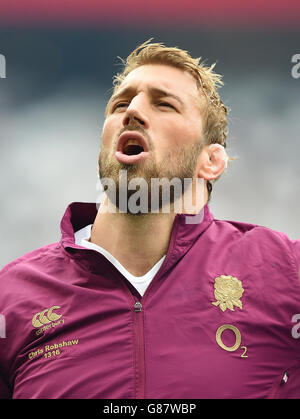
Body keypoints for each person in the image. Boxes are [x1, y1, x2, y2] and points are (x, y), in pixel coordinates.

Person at [0, 39, 299, 400]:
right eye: (121, 104)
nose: (133, 112)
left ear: (211, 161)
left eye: (164, 104)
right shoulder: (12, 295)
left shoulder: (283, 270)